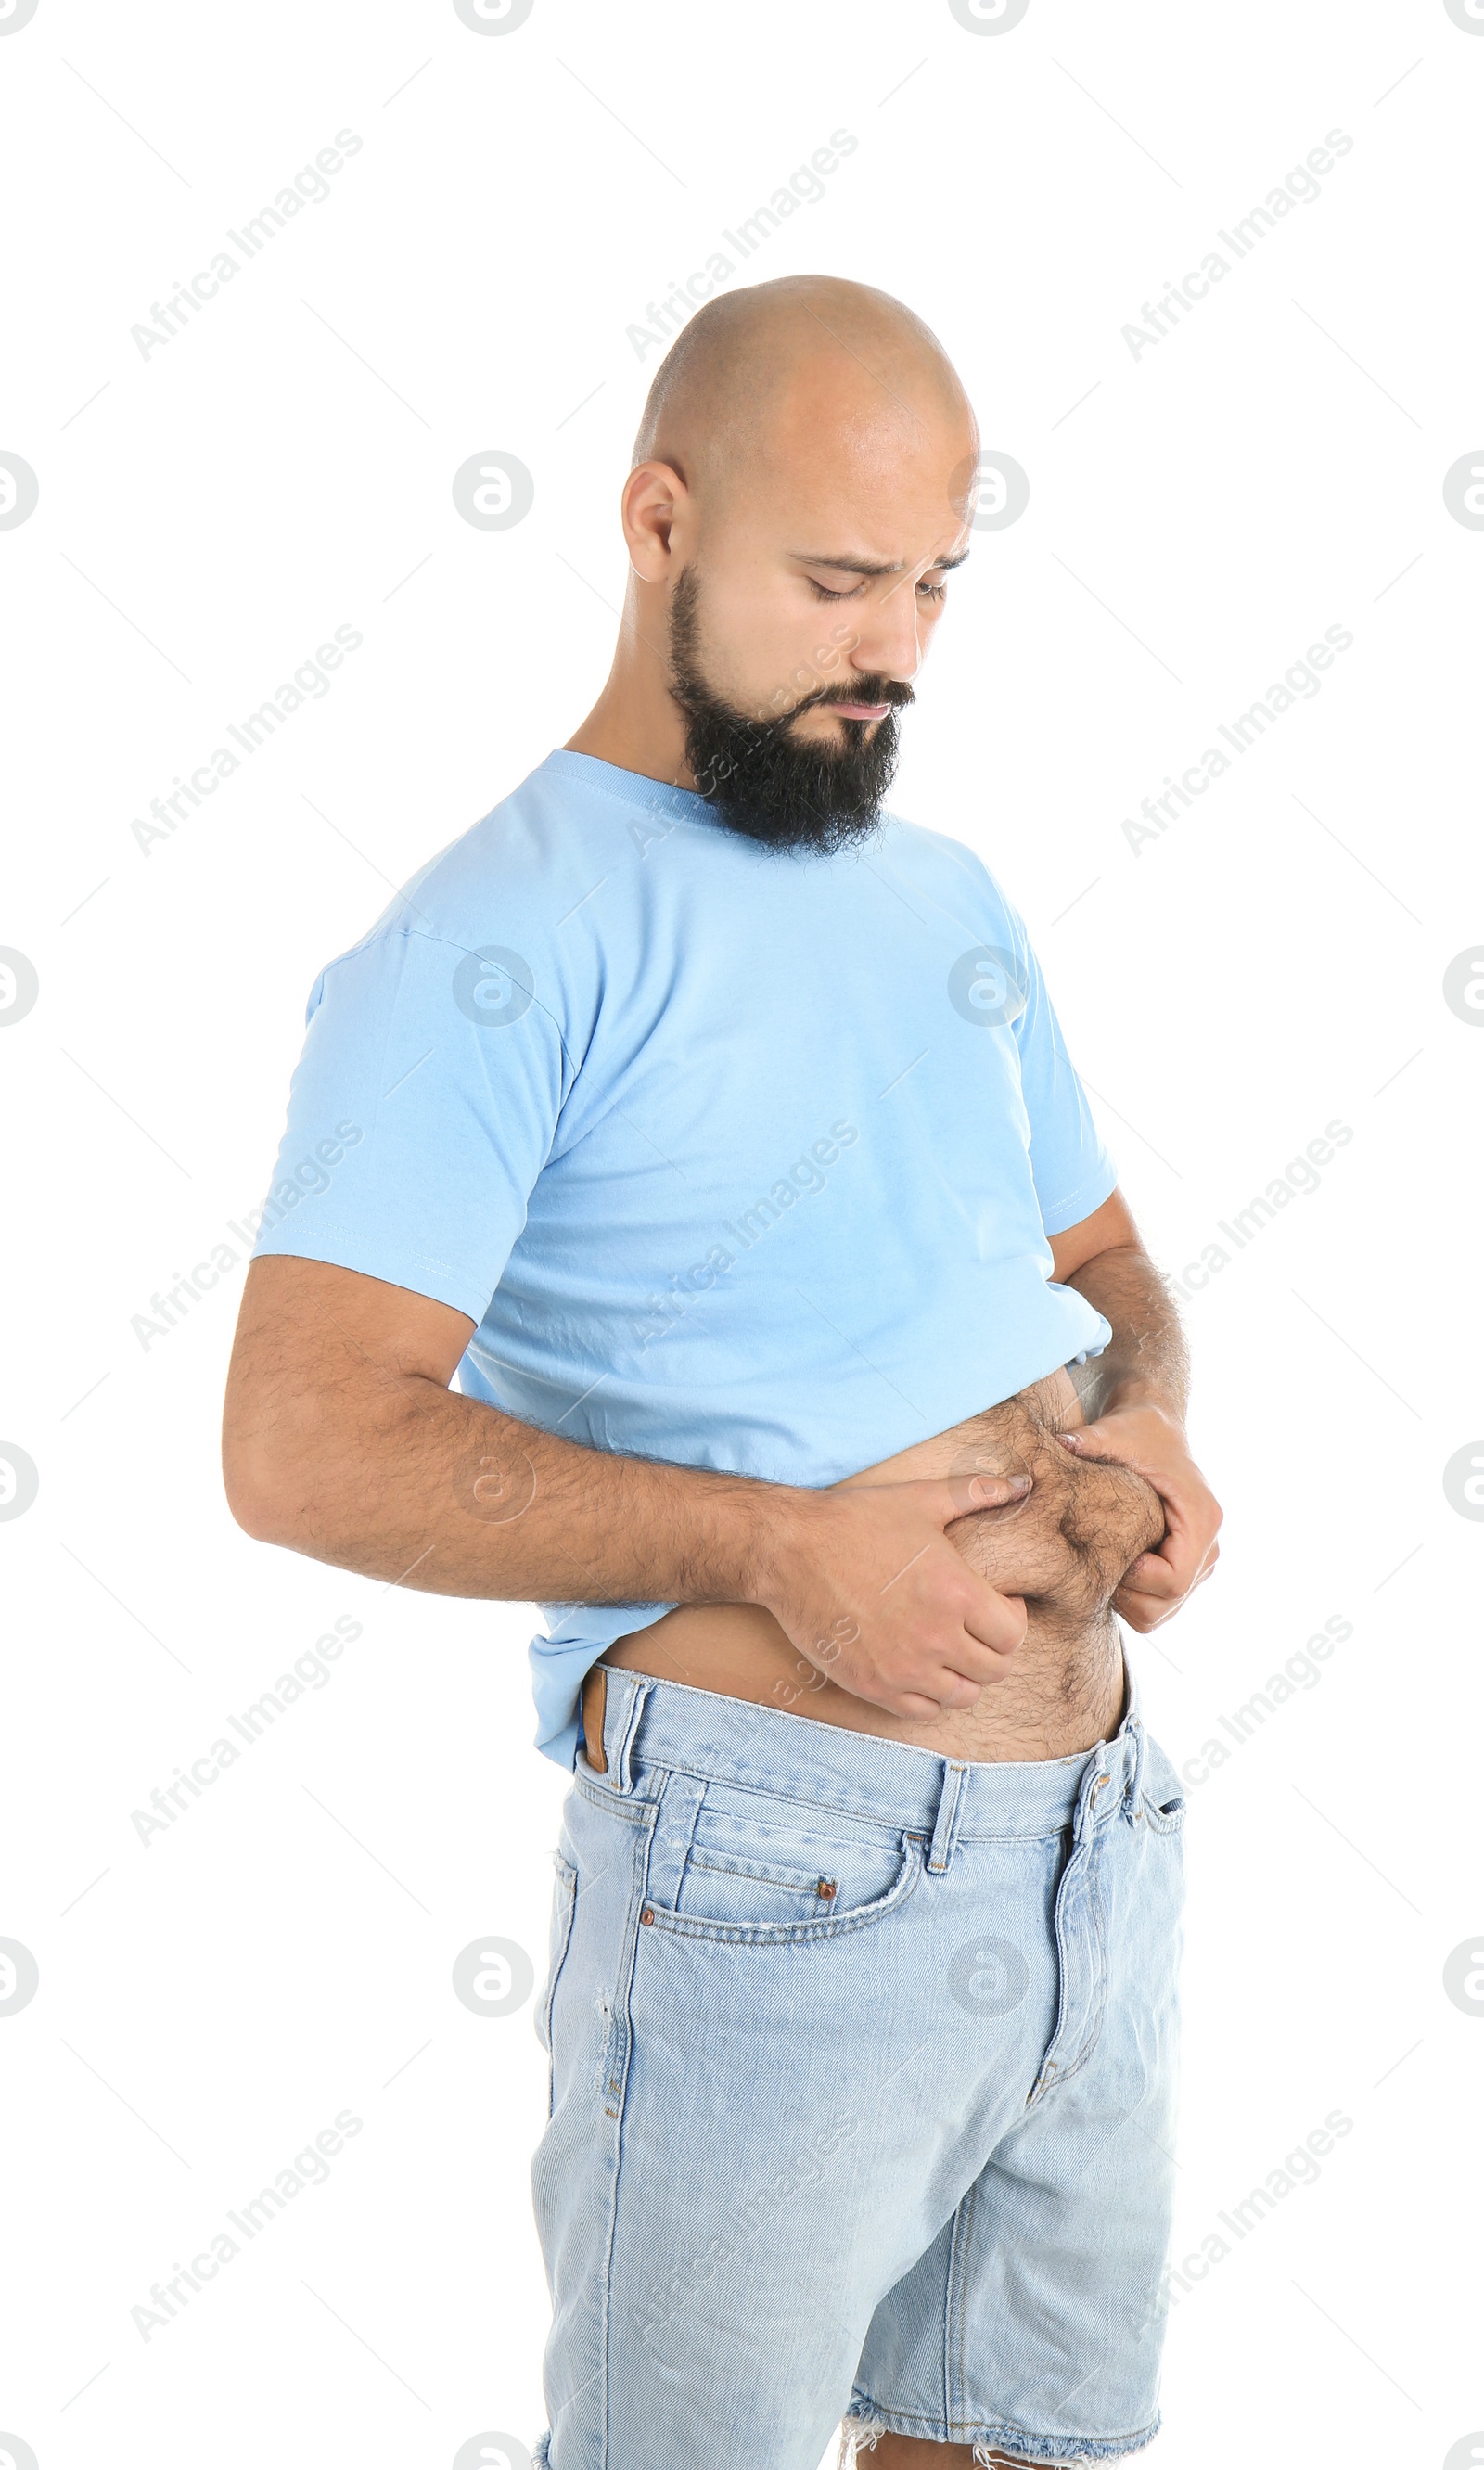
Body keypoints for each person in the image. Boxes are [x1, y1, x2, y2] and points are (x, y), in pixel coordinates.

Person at [223, 275, 1222, 2469]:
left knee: (1016, 2450)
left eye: (938, 583)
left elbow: (1110, 1267)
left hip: (1087, 1851)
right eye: (840, 578)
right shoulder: (491, 937)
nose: (895, 647)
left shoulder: (944, 893)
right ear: (657, 521)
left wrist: (1139, 1407)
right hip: (779, 1873)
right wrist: (780, 1549)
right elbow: (297, 1447)